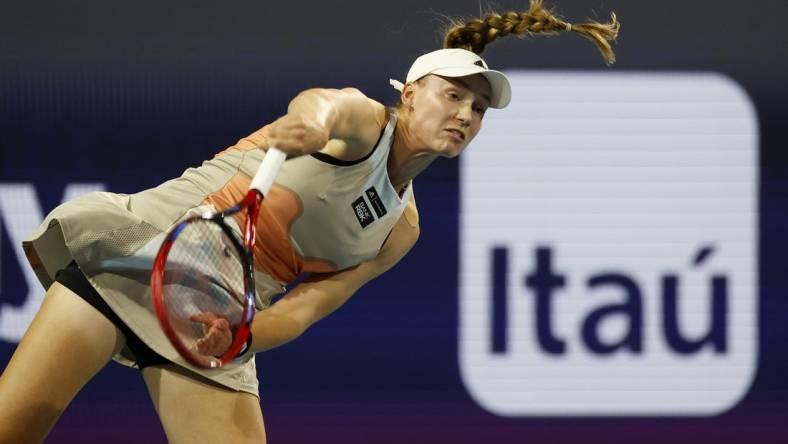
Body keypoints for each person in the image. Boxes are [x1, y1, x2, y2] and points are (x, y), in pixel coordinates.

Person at [0, 1, 619, 442]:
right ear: (409, 94)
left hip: (215, 315)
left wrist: (238, 337)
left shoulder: (401, 230)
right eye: (452, 95)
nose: (465, 114)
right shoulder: (361, 123)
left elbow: (303, 309)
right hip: (140, 254)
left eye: (479, 109)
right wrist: (310, 125)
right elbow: (323, 105)